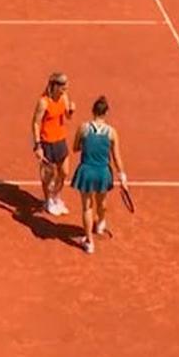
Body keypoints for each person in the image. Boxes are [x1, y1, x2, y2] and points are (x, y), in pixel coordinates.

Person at [70, 95, 127, 254]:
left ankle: (89, 242)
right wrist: (122, 176)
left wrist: (88, 146)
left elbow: (75, 148)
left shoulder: (83, 128)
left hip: (86, 172)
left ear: (93, 111)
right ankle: (101, 223)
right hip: (103, 172)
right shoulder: (112, 132)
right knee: (101, 203)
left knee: (87, 207)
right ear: (106, 113)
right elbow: (116, 156)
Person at [32, 72, 76, 216]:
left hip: (60, 140)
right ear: (54, 85)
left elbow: (67, 116)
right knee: (48, 175)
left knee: (64, 172)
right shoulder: (43, 102)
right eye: (63, 85)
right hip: (47, 142)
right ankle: (48, 201)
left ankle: (56, 197)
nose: (66, 87)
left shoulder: (64, 97)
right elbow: (35, 123)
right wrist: (38, 146)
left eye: (66, 84)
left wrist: (71, 111)